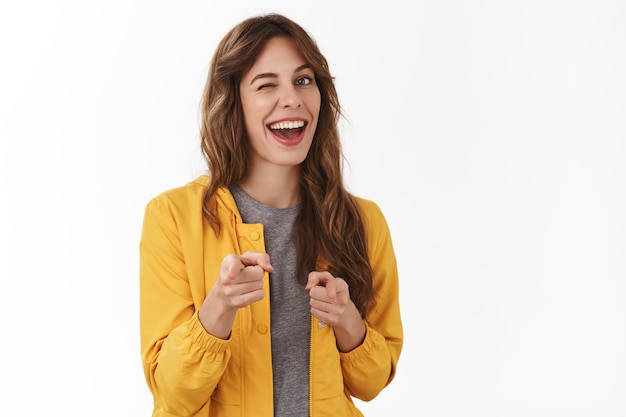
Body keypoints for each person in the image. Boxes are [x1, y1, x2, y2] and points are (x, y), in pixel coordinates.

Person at [139, 13, 403, 417]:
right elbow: (172, 396)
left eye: (303, 80)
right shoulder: (173, 217)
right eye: (266, 85)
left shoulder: (363, 222)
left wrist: (348, 320)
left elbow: (371, 384)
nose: (292, 99)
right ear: (233, 102)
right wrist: (219, 307)